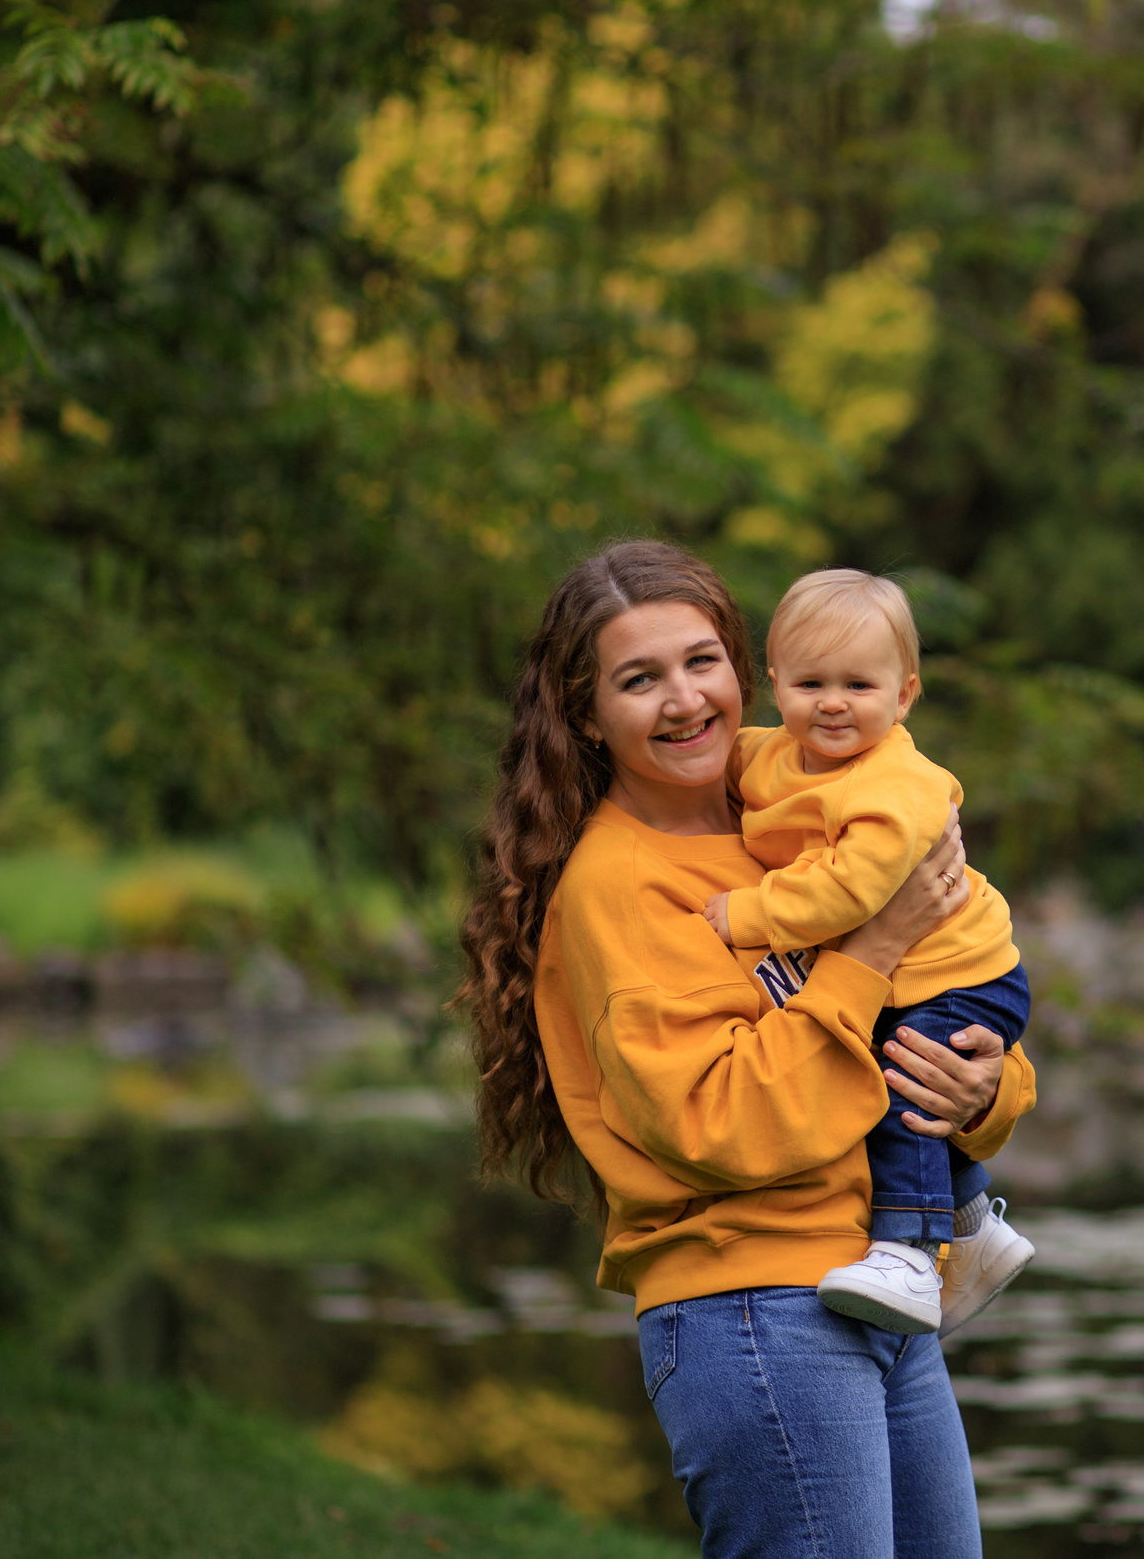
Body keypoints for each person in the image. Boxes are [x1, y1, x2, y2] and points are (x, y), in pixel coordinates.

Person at [457, 539, 1036, 1559]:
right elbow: (720, 1123)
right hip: (758, 1312)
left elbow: (938, 991)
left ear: (742, 669)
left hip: (881, 1280)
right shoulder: (620, 888)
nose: (683, 700)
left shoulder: (794, 808)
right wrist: (871, 951)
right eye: (639, 680)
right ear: (588, 716)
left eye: (699, 661)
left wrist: (984, 1088)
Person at [702, 569, 1036, 1336]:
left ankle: (911, 1251)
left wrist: (745, 914)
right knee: (895, 1064)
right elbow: (724, 760)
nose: (833, 702)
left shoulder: (896, 788)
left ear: (904, 694)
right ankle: (971, 1224)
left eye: (859, 683)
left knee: (896, 1078)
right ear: (776, 683)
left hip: (966, 971)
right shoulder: (776, 755)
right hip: (918, 972)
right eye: (811, 681)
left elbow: (846, 894)